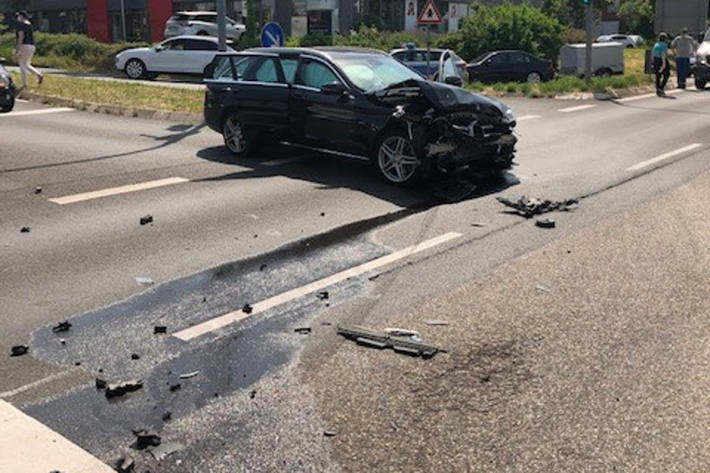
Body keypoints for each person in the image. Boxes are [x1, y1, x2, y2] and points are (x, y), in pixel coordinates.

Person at [14, 10, 43, 92]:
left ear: (21, 16)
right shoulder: (29, 25)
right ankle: (39, 74)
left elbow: (21, 37)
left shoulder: (21, 25)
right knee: (26, 64)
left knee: (22, 65)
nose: (17, 18)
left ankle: (24, 84)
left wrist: (17, 49)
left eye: (18, 16)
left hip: (24, 45)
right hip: (32, 46)